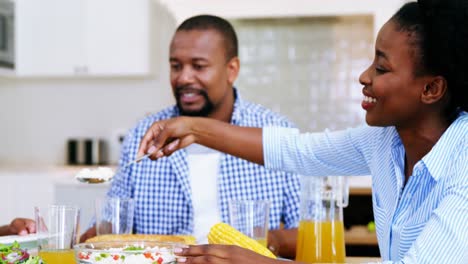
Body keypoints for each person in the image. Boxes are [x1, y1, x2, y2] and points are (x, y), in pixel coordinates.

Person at [138, 0, 468, 263]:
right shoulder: (385, 141)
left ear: (432, 89)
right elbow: (297, 151)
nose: (364, 76)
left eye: (381, 68)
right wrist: (193, 127)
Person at [80, 14, 301, 254]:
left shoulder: (275, 134)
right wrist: (81, 239)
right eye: (176, 66)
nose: (184, 78)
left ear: (232, 70)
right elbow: (110, 226)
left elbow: (308, 232)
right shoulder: (142, 135)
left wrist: (261, 242)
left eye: (199, 66)